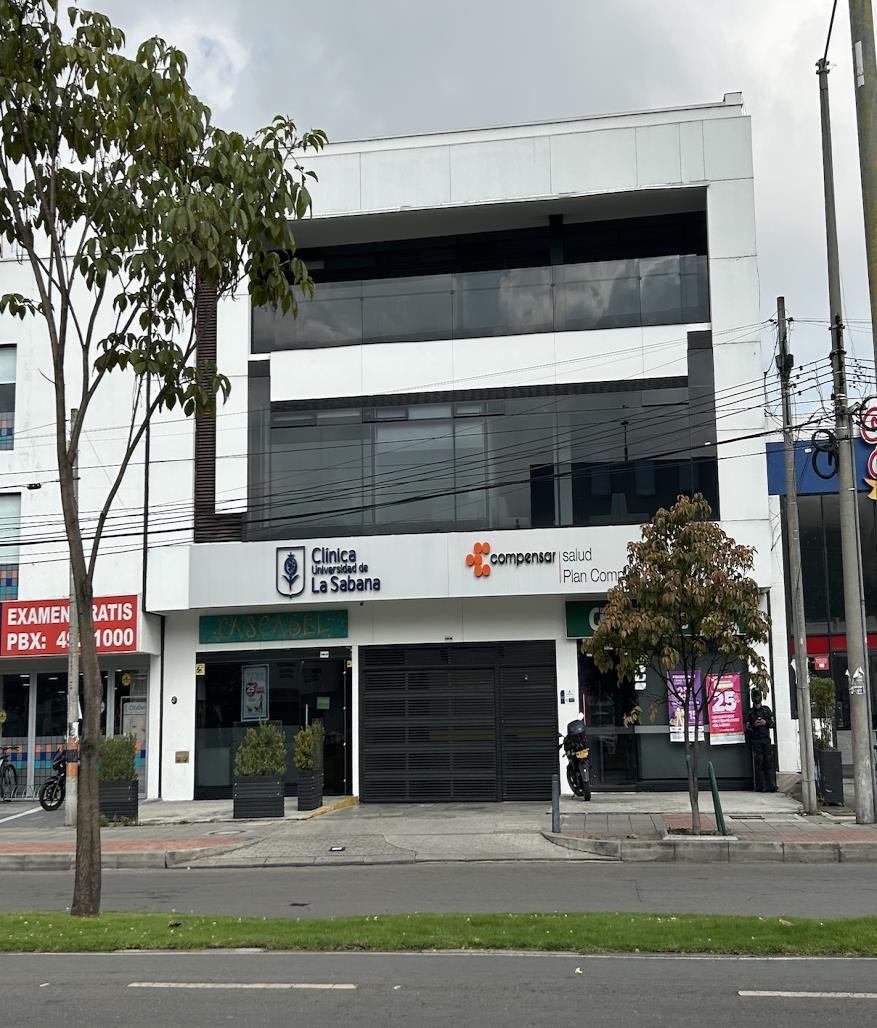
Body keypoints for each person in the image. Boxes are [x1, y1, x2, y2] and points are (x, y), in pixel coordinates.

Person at [746, 690, 776, 792]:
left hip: (766, 740)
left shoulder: (766, 710)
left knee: (769, 761)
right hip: (756, 740)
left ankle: (771, 785)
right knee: (760, 762)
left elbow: (772, 724)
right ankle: (762, 786)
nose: (757, 699)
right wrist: (754, 725)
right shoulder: (750, 712)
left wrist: (765, 722)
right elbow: (747, 728)